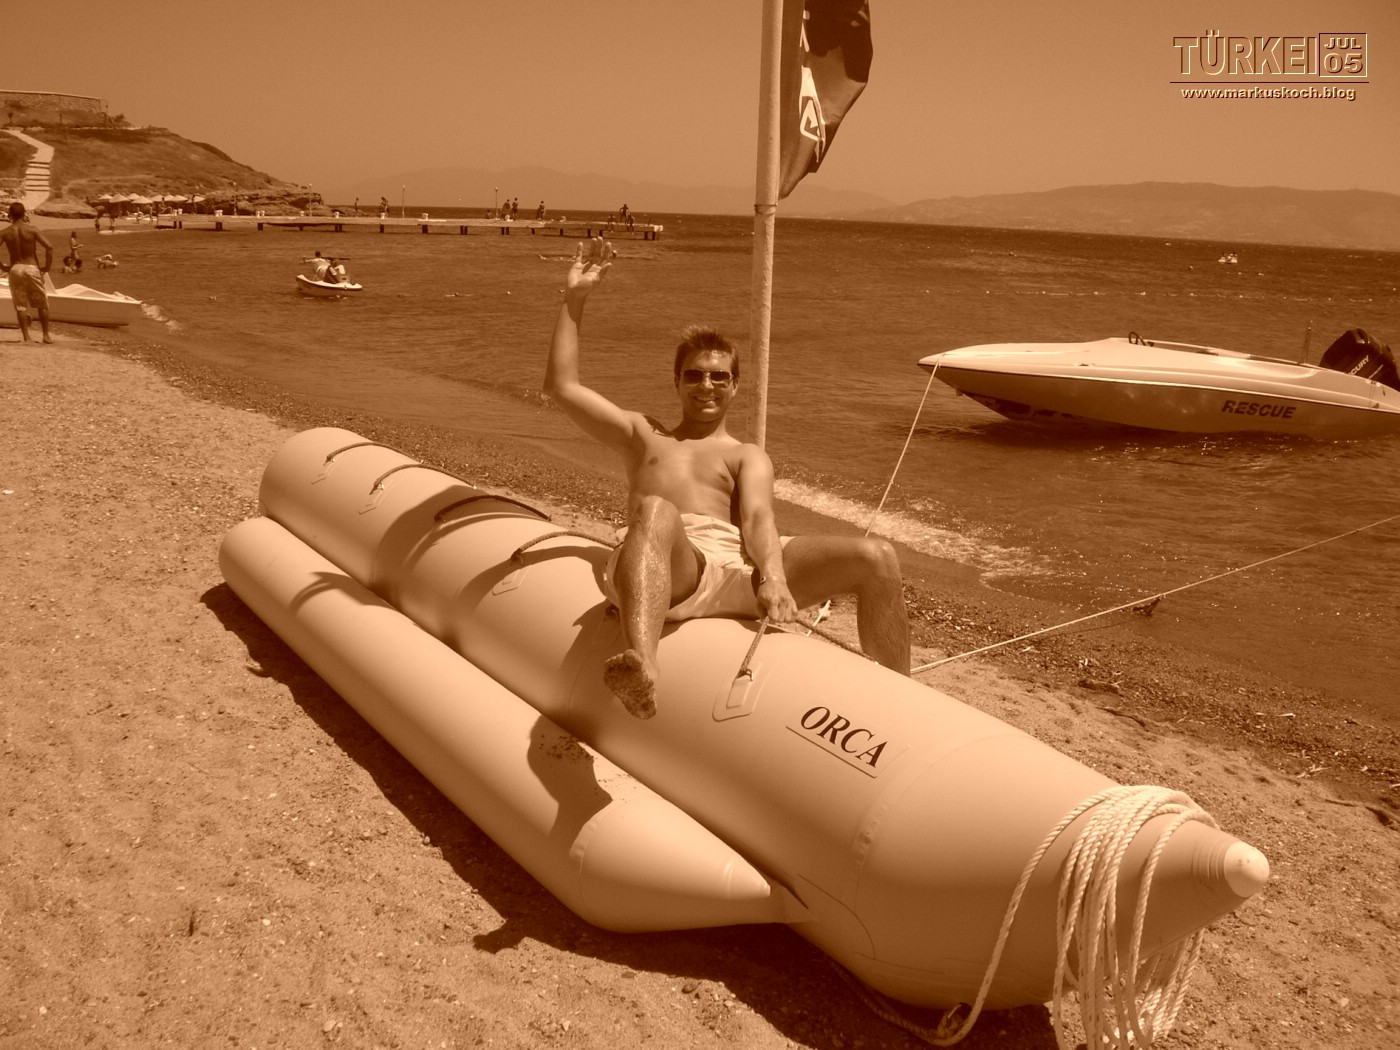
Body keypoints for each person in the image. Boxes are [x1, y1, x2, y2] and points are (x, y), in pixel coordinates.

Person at [543, 238, 909, 719]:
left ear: (735, 386)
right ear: (677, 382)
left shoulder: (745, 455)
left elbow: (758, 519)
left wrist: (773, 578)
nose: (707, 385)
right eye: (694, 375)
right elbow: (561, 387)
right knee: (656, 509)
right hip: (672, 563)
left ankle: (904, 699)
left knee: (877, 556)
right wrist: (574, 298)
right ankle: (644, 666)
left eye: (719, 377)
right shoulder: (643, 435)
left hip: (737, 567)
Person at [2, 201, 55, 343]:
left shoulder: (5, 232)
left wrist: (3, 267)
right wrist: (47, 267)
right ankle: (46, 336)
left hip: (15, 269)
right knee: (42, 304)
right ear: (24, 214)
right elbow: (49, 247)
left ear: (10, 215)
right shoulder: (32, 230)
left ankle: (26, 337)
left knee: (20, 306)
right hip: (31, 267)